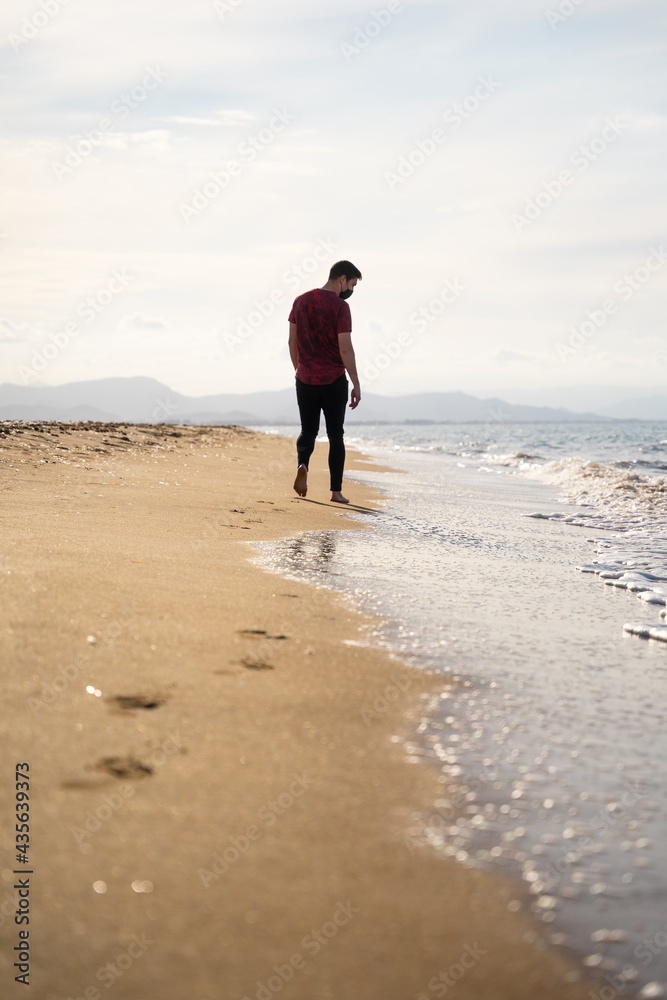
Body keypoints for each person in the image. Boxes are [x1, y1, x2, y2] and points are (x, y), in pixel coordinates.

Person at [288, 260, 362, 504]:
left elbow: (292, 342)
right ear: (342, 278)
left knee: (307, 430)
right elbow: (346, 349)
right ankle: (336, 492)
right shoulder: (340, 307)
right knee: (335, 435)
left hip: (305, 378)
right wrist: (356, 382)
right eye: (351, 284)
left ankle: (302, 465)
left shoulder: (300, 301)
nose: (350, 290)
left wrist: (300, 369)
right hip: (333, 380)